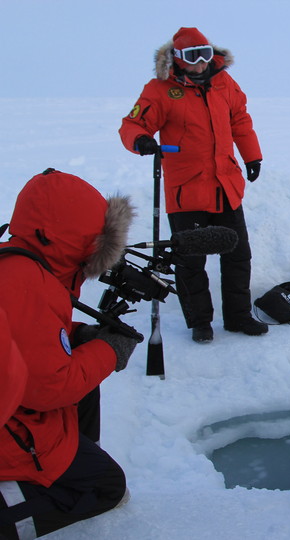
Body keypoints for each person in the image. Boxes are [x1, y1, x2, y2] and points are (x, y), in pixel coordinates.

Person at [0, 169, 138, 539]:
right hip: (11, 431)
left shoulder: (18, 264)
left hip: (14, 413)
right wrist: (109, 350)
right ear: (76, 240)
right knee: (107, 488)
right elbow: (49, 388)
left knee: (84, 390)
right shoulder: (28, 284)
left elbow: (29, 336)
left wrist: (81, 335)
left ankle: (61, 465)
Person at [119, 26, 267, 344]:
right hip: (186, 191)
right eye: (191, 57)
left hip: (225, 185)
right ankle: (200, 322)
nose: (200, 63)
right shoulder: (160, 90)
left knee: (238, 255)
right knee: (190, 262)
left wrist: (252, 156)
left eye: (205, 55)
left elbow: (239, 118)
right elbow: (132, 124)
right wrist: (142, 140)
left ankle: (239, 316)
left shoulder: (224, 82)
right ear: (177, 58)